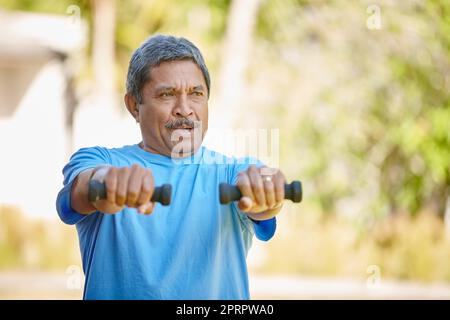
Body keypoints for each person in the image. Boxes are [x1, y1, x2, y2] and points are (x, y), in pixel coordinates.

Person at [56, 34, 286, 299]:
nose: (185, 110)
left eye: (196, 94)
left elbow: (265, 198)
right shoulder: (99, 161)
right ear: (134, 106)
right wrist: (108, 185)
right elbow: (79, 194)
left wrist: (265, 189)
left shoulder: (232, 172)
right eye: (167, 95)